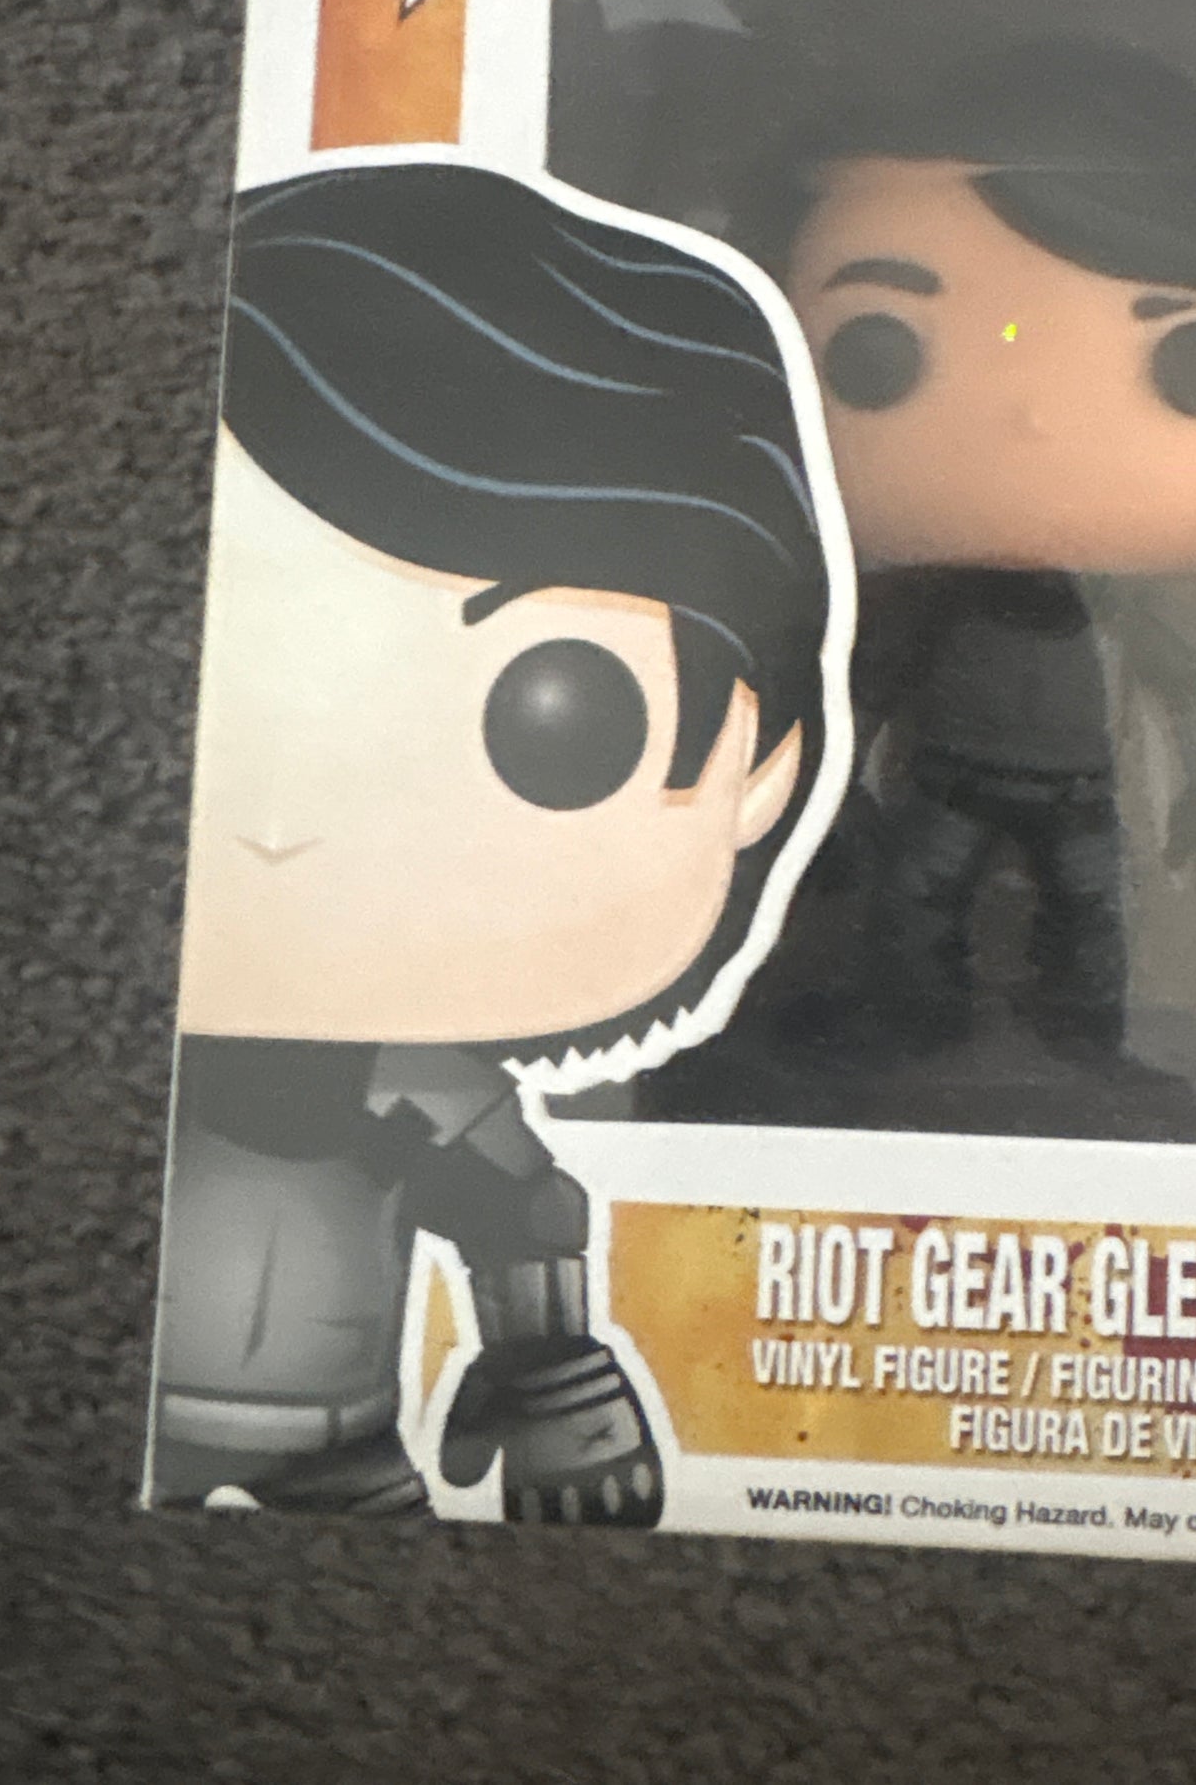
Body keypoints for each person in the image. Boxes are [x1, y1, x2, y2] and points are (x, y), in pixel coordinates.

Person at [147, 161, 841, 1520]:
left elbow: (527, 1219)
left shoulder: (419, 1087)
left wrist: (558, 1384)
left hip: (347, 1452)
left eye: (559, 717)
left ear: (759, 768)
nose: (282, 832)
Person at [757, 39, 1196, 1062]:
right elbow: (859, 692)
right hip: (949, 782)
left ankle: (1086, 1034)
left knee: (1089, 916)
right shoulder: (926, 604)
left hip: (1079, 795)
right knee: (919, 906)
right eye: (877, 348)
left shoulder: (1124, 607)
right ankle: (920, 1022)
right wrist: (811, 806)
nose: (1034, 420)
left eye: (1193, 361)